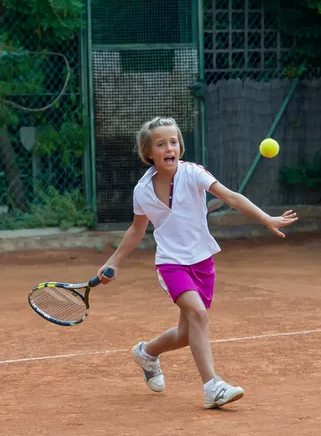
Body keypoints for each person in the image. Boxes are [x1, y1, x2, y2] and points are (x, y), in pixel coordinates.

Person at [97, 117, 298, 408]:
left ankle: (146, 352)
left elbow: (229, 196)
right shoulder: (142, 190)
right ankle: (212, 387)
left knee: (185, 333)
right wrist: (113, 262)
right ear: (148, 153)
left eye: (174, 142)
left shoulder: (193, 173)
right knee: (199, 315)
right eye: (161, 143)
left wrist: (265, 218)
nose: (170, 147)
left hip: (202, 262)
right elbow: (137, 229)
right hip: (171, 263)